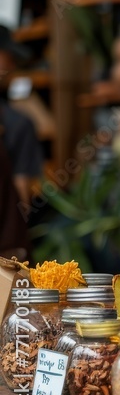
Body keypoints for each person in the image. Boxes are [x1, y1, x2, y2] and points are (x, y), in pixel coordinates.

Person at [0, 25, 42, 258]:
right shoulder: (18, 124)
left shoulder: (16, 122)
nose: (12, 66)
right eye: (9, 57)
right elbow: (22, 198)